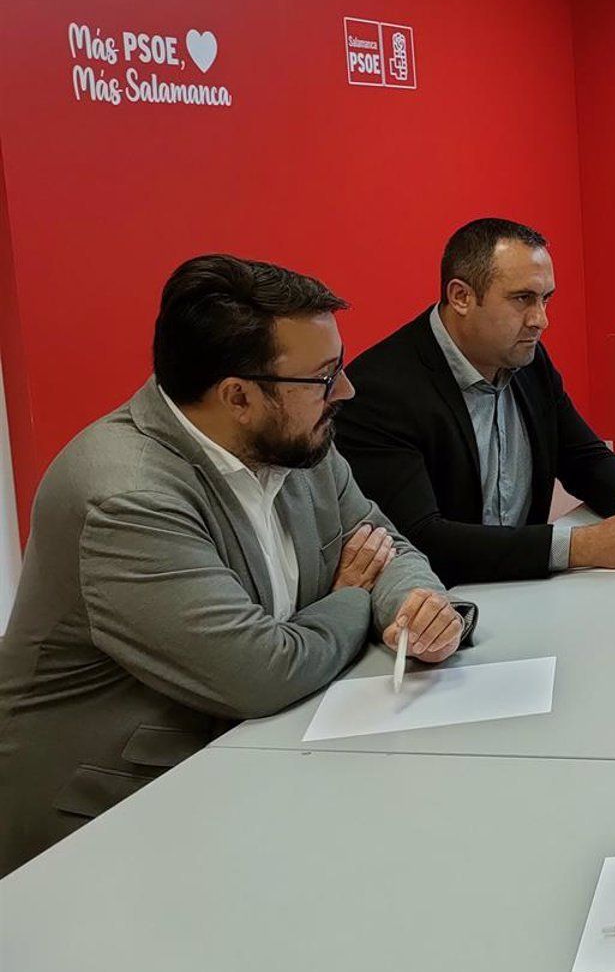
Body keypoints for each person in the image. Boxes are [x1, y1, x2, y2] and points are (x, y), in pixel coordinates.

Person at [0, 256, 464, 876]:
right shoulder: (126, 496)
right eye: (324, 377)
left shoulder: (294, 441)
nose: (345, 391)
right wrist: (353, 596)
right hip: (105, 822)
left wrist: (416, 607)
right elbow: (261, 673)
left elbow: (386, 545)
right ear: (238, 396)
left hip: (245, 767)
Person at [333, 218, 615, 586]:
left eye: (546, 298)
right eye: (523, 299)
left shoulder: (526, 358)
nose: (541, 320)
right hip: (443, 601)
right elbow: (421, 539)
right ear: (461, 297)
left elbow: (582, 456)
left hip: (527, 587)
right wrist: (582, 546)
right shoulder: (379, 390)